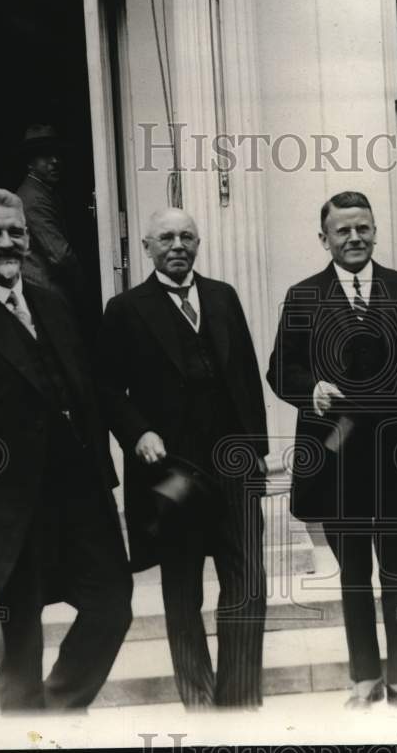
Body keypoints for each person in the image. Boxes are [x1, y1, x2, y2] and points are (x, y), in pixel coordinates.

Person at [0, 188, 132, 712]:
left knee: (112, 605)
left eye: (15, 231)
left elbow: (85, 390)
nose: (6, 242)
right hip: (8, 513)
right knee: (18, 650)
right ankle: (27, 734)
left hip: (81, 499)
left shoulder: (52, 302)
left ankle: (61, 710)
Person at [98, 207, 268, 709]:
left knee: (247, 585)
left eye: (187, 236)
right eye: (167, 237)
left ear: (198, 244)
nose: (178, 244)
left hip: (233, 467)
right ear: (147, 246)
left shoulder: (223, 297)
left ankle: (238, 700)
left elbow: (246, 379)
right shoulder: (125, 308)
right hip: (171, 473)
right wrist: (139, 432)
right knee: (182, 589)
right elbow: (106, 389)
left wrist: (256, 451)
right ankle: (198, 698)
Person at [267, 191, 397, 708]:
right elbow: (280, 368)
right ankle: (365, 679)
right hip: (336, 463)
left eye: (363, 228)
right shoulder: (302, 297)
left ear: (376, 232)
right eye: (343, 230)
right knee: (355, 576)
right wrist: (308, 389)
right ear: (325, 239)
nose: (354, 237)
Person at [16, 124, 92, 331]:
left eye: (57, 155)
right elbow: (61, 255)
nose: (55, 161)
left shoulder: (44, 191)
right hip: (45, 294)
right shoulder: (33, 198)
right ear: (30, 163)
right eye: (45, 156)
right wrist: (86, 288)